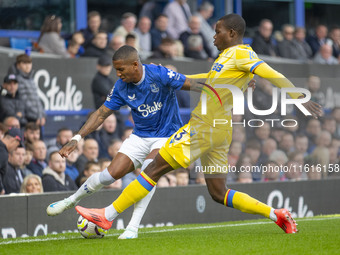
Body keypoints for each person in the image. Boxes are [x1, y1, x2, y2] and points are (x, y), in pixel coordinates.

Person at [75, 14, 323, 235]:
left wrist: (298, 96)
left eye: (217, 31)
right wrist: (171, 80)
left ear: (232, 34)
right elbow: (208, 80)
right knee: (218, 193)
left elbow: (270, 73)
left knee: (152, 169)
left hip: (204, 128)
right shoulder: (226, 58)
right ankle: (275, 214)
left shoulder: (242, 53)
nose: (213, 36)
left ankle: (106, 216)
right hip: (220, 131)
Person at [46, 45, 190, 239]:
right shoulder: (121, 86)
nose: (118, 73)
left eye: (121, 69)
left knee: (149, 172)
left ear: (135, 65)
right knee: (108, 176)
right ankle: (70, 201)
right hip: (140, 136)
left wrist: (224, 86)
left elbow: (194, 84)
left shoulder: (159, 73)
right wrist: (77, 137)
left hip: (167, 136)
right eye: (116, 69)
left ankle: (132, 228)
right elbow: (101, 114)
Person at [8, 54, 46, 126]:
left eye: (29, 63)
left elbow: (36, 100)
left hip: (38, 120)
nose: (28, 66)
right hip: (27, 121)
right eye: (24, 63)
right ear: (18, 65)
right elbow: (23, 101)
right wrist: (36, 117)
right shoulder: (16, 80)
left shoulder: (31, 80)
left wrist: (42, 117)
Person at [0, 128, 24, 194]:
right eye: (17, 145)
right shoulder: (2, 151)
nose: (16, 148)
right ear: (14, 140)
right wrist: (0, 189)